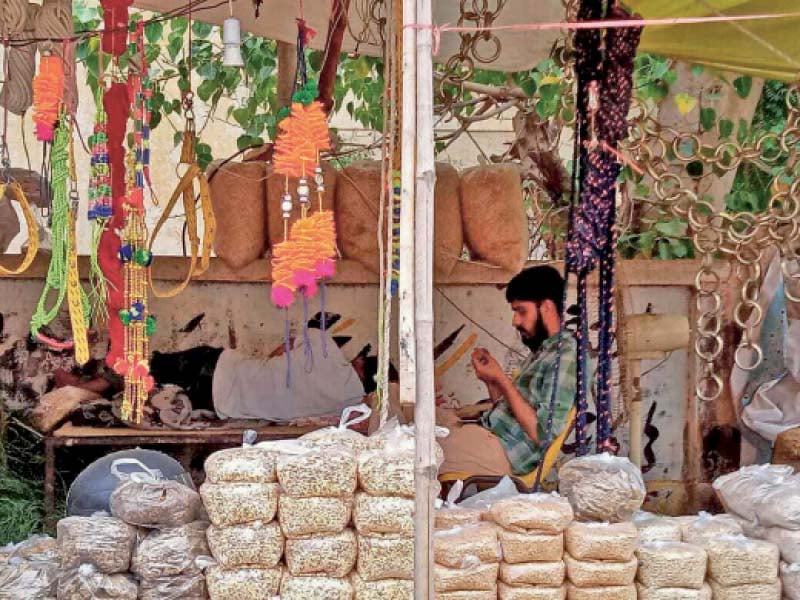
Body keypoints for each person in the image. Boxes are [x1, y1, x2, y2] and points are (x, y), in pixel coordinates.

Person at [56, 329, 391, 424]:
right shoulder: (350, 404)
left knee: (149, 366)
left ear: (361, 363)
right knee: (154, 388)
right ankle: (89, 393)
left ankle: (86, 387)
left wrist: (272, 371)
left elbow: (281, 349)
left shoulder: (326, 346)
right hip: (220, 404)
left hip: (220, 368)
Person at [438, 265, 578, 477]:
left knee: (408, 453)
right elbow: (508, 413)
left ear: (547, 307)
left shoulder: (565, 356)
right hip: (486, 436)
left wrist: (502, 380)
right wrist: (490, 381)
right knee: (405, 410)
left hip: (501, 453)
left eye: (521, 311)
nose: (515, 321)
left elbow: (543, 433)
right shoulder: (542, 349)